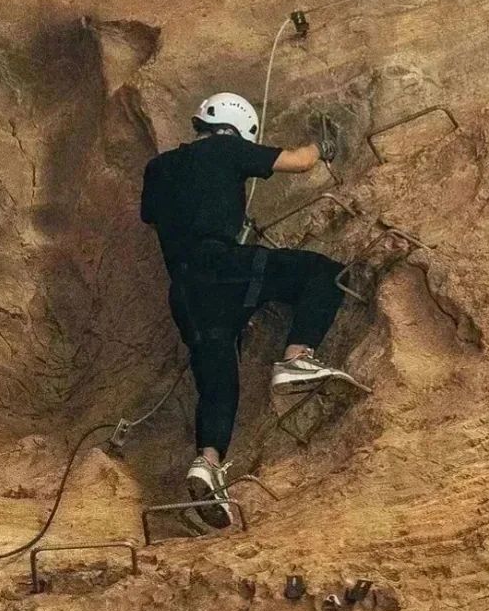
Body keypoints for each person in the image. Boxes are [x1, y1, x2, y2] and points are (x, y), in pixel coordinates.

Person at [140, 91, 350, 526]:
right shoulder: (226, 147)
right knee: (322, 273)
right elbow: (299, 161)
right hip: (221, 264)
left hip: (184, 293)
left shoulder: (157, 169)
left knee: (218, 384)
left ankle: (208, 463)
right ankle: (297, 358)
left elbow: (166, 214)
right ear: (239, 129)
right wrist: (324, 144)